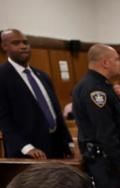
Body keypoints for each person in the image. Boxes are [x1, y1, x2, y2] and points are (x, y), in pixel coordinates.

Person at [72, 44, 120, 188]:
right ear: (105, 62)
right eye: (117, 59)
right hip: (108, 164)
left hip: (107, 162)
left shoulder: (100, 85)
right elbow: (106, 133)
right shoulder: (96, 90)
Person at [0, 29, 73, 159]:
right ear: (4, 46)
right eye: (16, 43)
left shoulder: (42, 76)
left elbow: (56, 113)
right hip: (28, 151)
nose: (23, 46)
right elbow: (3, 119)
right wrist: (26, 147)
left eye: (26, 42)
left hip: (56, 147)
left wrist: (68, 142)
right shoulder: (2, 75)